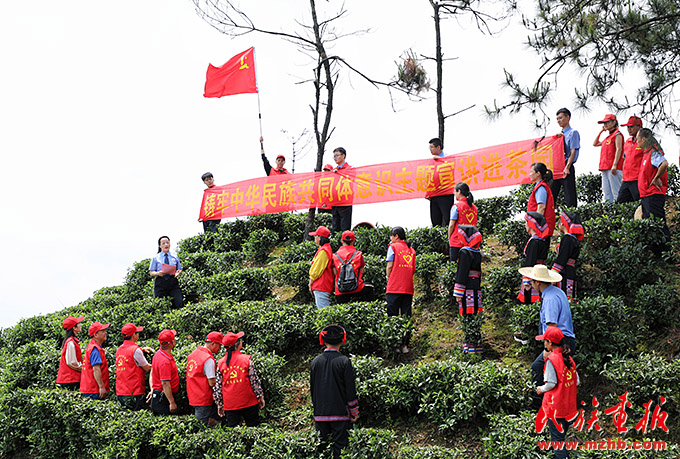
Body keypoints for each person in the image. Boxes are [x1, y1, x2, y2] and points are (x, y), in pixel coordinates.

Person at [517, 265, 576, 408]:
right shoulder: (557, 292)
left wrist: (548, 349)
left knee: (538, 368)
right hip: (564, 341)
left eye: (531, 281)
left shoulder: (549, 298)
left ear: (538, 282)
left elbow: (551, 326)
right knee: (561, 375)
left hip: (558, 343)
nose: (530, 283)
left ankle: (539, 406)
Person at [310, 325, 359, 459]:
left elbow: (312, 389)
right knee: (341, 448)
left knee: (322, 448)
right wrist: (354, 411)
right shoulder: (344, 361)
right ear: (343, 340)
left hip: (320, 413)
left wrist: (316, 407)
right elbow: (350, 389)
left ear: (323, 341)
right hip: (340, 414)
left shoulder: (315, 362)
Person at [535, 326, 579, 459]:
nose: (544, 344)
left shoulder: (551, 360)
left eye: (545, 341)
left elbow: (551, 383)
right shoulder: (569, 358)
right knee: (561, 437)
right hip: (569, 407)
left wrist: (540, 389)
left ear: (549, 343)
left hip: (556, 408)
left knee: (557, 443)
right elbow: (576, 381)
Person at [214, 332, 265, 427]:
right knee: (253, 428)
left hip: (230, 404)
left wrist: (220, 404)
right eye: (240, 340)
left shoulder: (220, 363)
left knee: (233, 432)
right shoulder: (246, 360)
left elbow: (218, 386)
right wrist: (260, 396)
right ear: (237, 344)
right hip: (248, 401)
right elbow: (254, 381)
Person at [636, 128, 671, 254]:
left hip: (654, 194)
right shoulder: (646, 153)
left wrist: (656, 178)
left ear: (644, 139)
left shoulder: (654, 152)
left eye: (638, 138)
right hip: (646, 194)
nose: (637, 141)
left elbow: (664, 163)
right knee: (650, 223)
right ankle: (657, 253)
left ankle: (667, 253)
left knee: (658, 223)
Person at [452, 225, 484, 354]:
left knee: (467, 316)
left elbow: (462, 273)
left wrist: (458, 292)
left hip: (466, 290)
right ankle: (477, 345)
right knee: (475, 316)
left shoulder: (464, 252)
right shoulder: (477, 253)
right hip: (476, 289)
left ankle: (469, 346)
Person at [386, 226, 416, 353]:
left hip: (394, 286)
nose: (390, 238)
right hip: (407, 287)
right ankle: (405, 345)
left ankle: (394, 344)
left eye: (391, 236)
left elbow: (389, 266)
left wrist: (389, 278)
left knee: (392, 316)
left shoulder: (392, 247)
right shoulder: (411, 250)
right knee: (406, 316)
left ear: (396, 236)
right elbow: (413, 269)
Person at [187, 331, 223, 426]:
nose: (220, 348)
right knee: (202, 426)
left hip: (193, 396)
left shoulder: (193, 354)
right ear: (213, 344)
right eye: (219, 345)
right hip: (204, 398)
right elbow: (212, 382)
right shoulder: (208, 359)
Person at [115, 323, 153, 410]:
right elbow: (147, 368)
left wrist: (141, 350)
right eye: (137, 333)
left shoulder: (119, 349)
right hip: (134, 392)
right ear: (133, 335)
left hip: (121, 391)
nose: (138, 334)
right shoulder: (135, 350)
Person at [517, 212, 550, 305]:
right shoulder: (542, 240)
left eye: (526, 222)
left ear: (531, 224)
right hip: (541, 273)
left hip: (533, 275)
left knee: (530, 301)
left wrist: (527, 279)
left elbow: (530, 260)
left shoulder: (534, 242)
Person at [551, 212, 584, 302]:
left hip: (564, 272)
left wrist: (553, 274)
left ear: (562, 223)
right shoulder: (573, 239)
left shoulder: (568, 239)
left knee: (562, 298)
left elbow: (562, 258)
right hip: (570, 270)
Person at [551, 108, 579, 208]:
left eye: (561, 118)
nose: (559, 120)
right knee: (551, 195)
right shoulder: (559, 135)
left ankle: (572, 220)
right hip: (557, 168)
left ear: (568, 117)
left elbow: (573, 151)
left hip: (567, 166)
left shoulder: (573, 133)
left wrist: (567, 167)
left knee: (570, 196)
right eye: (557, 119)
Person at [593, 114, 624, 203]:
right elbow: (595, 143)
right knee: (607, 193)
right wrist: (601, 131)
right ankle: (609, 213)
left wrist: (614, 165)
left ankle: (618, 212)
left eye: (607, 122)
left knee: (616, 192)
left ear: (614, 122)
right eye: (604, 123)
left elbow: (619, 149)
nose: (605, 124)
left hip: (613, 167)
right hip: (604, 167)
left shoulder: (617, 134)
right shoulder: (607, 137)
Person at [332, 230, 368, 303]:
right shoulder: (358, 254)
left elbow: (335, 272)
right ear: (353, 241)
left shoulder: (335, 256)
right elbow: (362, 271)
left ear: (342, 241)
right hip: (357, 289)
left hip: (340, 290)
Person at [149, 236, 184, 309]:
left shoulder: (174, 256)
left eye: (167, 243)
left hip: (173, 281)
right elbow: (151, 272)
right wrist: (158, 273)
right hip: (161, 282)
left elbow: (179, 269)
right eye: (163, 243)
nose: (166, 245)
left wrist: (178, 272)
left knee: (179, 303)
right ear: (160, 246)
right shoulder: (156, 258)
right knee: (160, 305)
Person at [150, 329, 179, 415]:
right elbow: (165, 383)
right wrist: (172, 402)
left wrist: (153, 389)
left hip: (159, 394)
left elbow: (152, 372)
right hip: (163, 398)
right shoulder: (165, 362)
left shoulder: (158, 354)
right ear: (171, 343)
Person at [427, 137, 454, 227]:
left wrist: (440, 159)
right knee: (435, 220)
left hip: (446, 193)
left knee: (448, 218)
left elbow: (451, 166)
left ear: (438, 147)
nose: (430, 150)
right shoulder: (431, 162)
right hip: (434, 194)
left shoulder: (447, 157)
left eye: (431, 147)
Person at [447, 182, 478, 262]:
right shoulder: (474, 208)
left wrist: (449, 238)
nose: (454, 194)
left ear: (459, 192)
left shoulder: (456, 206)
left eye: (455, 191)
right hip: (471, 242)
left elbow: (451, 225)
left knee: (455, 267)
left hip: (457, 241)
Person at [80, 321, 110, 400]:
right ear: (96, 335)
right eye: (102, 331)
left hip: (89, 388)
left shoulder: (93, 346)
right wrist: (101, 387)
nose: (105, 332)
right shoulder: (95, 349)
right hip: (94, 390)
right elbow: (96, 369)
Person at [617, 116, 644, 203]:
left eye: (631, 127)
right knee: (620, 204)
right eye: (628, 127)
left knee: (639, 203)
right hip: (626, 180)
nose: (629, 129)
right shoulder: (627, 142)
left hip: (637, 179)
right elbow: (625, 159)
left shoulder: (644, 142)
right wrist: (623, 176)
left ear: (639, 127)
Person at [309, 225, 334, 309]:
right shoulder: (324, 249)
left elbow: (317, 270)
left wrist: (311, 282)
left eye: (315, 236)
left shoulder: (324, 251)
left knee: (324, 313)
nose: (314, 238)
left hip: (321, 286)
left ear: (320, 238)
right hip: (322, 286)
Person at [528, 162, 556, 237]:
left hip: (542, 230)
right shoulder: (541, 186)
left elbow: (541, 207)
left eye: (531, 172)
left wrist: (536, 226)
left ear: (538, 173)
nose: (529, 174)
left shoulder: (541, 187)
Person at [56, 315, 84, 390]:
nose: (80, 325)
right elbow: (72, 362)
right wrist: (83, 368)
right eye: (78, 324)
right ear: (74, 328)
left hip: (69, 379)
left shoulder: (71, 341)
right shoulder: (70, 342)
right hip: (71, 379)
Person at [330, 147, 353, 233]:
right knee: (335, 227)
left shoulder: (350, 169)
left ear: (343, 156)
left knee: (345, 226)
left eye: (337, 155)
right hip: (335, 201)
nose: (335, 158)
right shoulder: (333, 171)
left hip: (345, 201)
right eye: (334, 156)